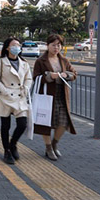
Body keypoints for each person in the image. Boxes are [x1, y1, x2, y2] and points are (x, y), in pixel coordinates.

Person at [32, 33, 77, 161]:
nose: (56, 48)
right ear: (47, 46)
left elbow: (74, 74)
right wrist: (49, 76)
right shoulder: (41, 61)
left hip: (61, 95)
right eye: (53, 45)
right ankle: (48, 148)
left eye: (58, 45)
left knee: (63, 122)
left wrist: (66, 75)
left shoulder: (64, 60)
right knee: (45, 122)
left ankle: (54, 143)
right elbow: (36, 77)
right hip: (47, 95)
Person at [0, 37, 32, 165]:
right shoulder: (1, 62)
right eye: (14, 45)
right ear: (7, 47)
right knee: (5, 126)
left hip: (20, 96)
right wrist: (4, 91)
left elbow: (28, 78)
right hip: (6, 96)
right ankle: (7, 151)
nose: (17, 47)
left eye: (19, 45)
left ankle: (13, 143)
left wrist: (25, 88)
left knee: (22, 124)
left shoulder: (24, 63)